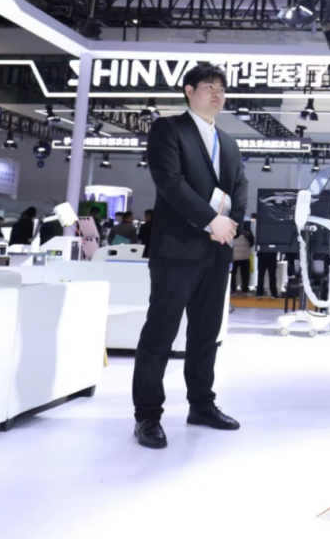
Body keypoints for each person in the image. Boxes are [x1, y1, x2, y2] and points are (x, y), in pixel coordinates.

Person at [132, 63, 248, 450]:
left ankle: (201, 404)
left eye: (221, 89)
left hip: (216, 251)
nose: (217, 94)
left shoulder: (228, 142)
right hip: (176, 250)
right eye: (209, 86)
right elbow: (170, 183)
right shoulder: (168, 129)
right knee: (160, 334)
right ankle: (147, 415)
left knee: (206, 334)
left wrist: (230, 224)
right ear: (189, 91)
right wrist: (210, 221)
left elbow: (240, 186)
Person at [230, 224, 253, 294]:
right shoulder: (247, 231)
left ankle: (233, 289)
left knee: (232, 274)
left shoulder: (231, 228)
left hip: (233, 256)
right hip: (245, 256)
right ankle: (245, 289)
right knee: (245, 274)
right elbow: (252, 243)